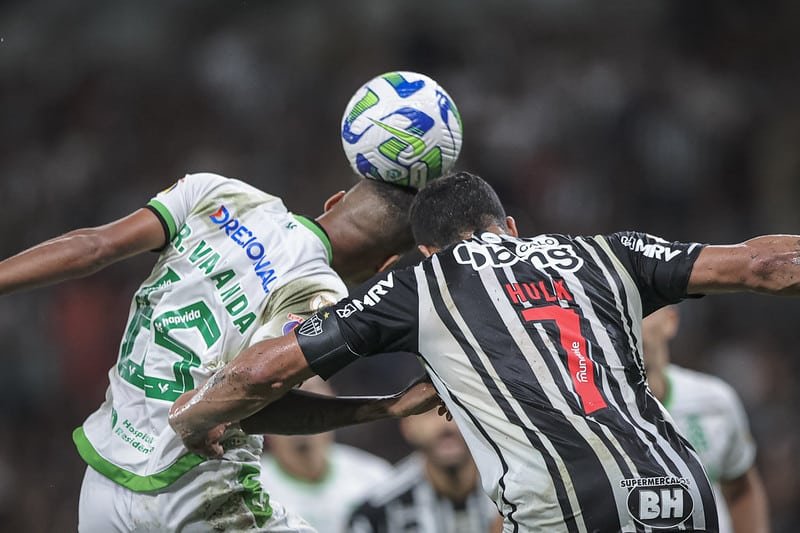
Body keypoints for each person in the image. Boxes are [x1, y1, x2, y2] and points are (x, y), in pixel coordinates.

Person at [170, 171, 800, 532]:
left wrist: (193, 418)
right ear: (512, 228)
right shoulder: (607, 251)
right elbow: (766, 264)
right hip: (678, 488)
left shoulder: (424, 281)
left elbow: (261, 370)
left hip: (566, 503)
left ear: (425, 249)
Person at [0, 171, 442, 532]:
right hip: (203, 495)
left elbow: (93, 247)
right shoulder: (319, 294)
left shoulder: (217, 193)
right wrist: (383, 408)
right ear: (387, 265)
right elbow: (254, 394)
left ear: (334, 201)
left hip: (104, 485)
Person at [641, 306, 770, 533]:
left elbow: (741, 490)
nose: (628, 321)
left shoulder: (713, 402)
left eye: (642, 310)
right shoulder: (580, 414)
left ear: (670, 321)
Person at [259, 377, 393, 533]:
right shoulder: (250, 490)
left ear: (333, 404)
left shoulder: (375, 479)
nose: (298, 408)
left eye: (309, 391)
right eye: (284, 397)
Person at [346, 404, 497, 533]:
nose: (446, 425)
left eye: (456, 408)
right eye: (429, 412)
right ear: (407, 426)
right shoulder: (375, 516)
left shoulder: (514, 495)